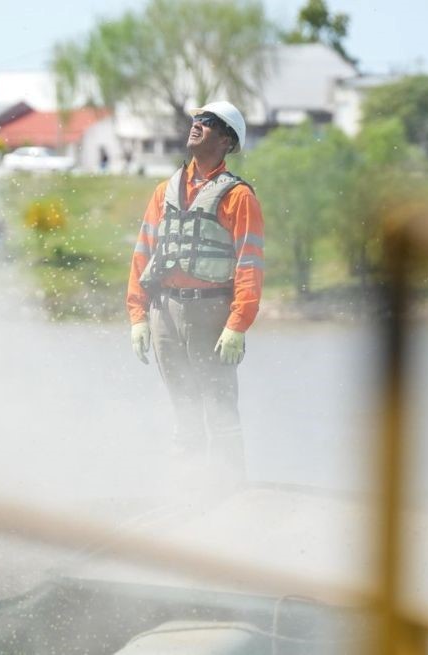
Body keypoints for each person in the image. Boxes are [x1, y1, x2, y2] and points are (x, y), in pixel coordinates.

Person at [126, 100, 264, 491]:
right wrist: (138, 317)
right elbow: (142, 254)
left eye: (209, 122)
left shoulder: (238, 197)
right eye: (196, 119)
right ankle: (186, 488)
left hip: (211, 314)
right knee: (183, 406)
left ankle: (231, 491)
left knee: (220, 407)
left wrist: (237, 325)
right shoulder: (163, 191)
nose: (197, 125)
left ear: (226, 140)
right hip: (164, 312)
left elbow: (250, 264)